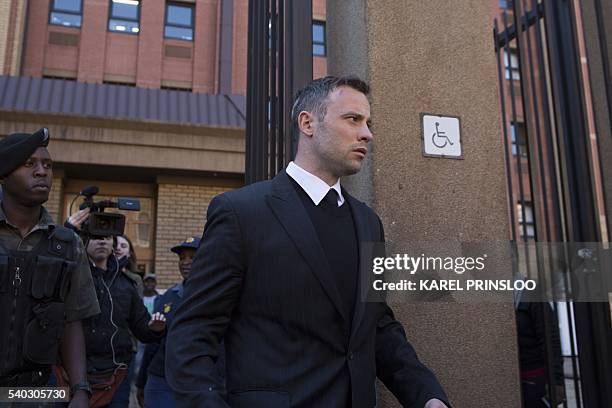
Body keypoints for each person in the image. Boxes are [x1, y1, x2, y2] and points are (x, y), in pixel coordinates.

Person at [165, 76, 451, 407]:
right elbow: (192, 334)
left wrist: (426, 395)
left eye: (368, 123)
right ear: (308, 123)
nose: (367, 134)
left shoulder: (368, 223)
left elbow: (377, 327)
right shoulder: (241, 213)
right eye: (352, 119)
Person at [0, 128, 100, 406]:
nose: (42, 171)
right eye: (29, 164)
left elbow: (73, 319)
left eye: (48, 165)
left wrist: (80, 390)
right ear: (4, 175)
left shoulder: (67, 244)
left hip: (38, 391)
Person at [136, 237, 225, 408]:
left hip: (203, 381)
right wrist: (142, 381)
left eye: (192, 257)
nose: (185, 262)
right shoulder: (167, 297)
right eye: (182, 257)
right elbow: (153, 345)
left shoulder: (218, 296)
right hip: (162, 380)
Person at [83, 235, 166, 407]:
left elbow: (142, 329)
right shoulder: (71, 277)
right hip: (70, 374)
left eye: (106, 238)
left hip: (117, 375)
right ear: (84, 241)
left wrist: (155, 329)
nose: (101, 241)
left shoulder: (127, 285)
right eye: (95, 237)